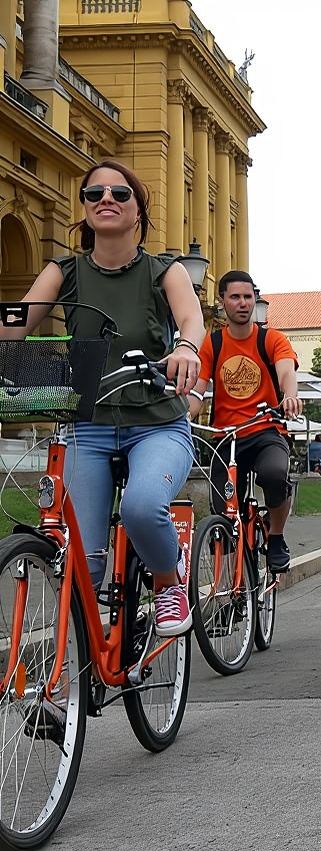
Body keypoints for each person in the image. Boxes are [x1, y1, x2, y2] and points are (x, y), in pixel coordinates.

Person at [1, 159, 202, 635]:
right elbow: (14, 324)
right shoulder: (63, 271)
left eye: (119, 193)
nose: (105, 200)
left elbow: (191, 319)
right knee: (84, 565)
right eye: (94, 195)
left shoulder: (164, 270)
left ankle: (169, 582)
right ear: (85, 210)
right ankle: (72, 682)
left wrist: (186, 347)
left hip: (156, 424)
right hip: (86, 427)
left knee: (141, 507)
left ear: (138, 211)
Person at [189, 270, 302, 573]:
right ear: (222, 301)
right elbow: (198, 390)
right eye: (235, 297)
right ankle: (233, 585)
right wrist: (183, 413)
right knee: (224, 514)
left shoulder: (271, 339)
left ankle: (276, 537)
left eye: (248, 296)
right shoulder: (212, 344)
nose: (242, 303)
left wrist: (289, 395)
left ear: (255, 299)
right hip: (226, 438)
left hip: (266, 430)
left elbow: (286, 372)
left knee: (275, 475)